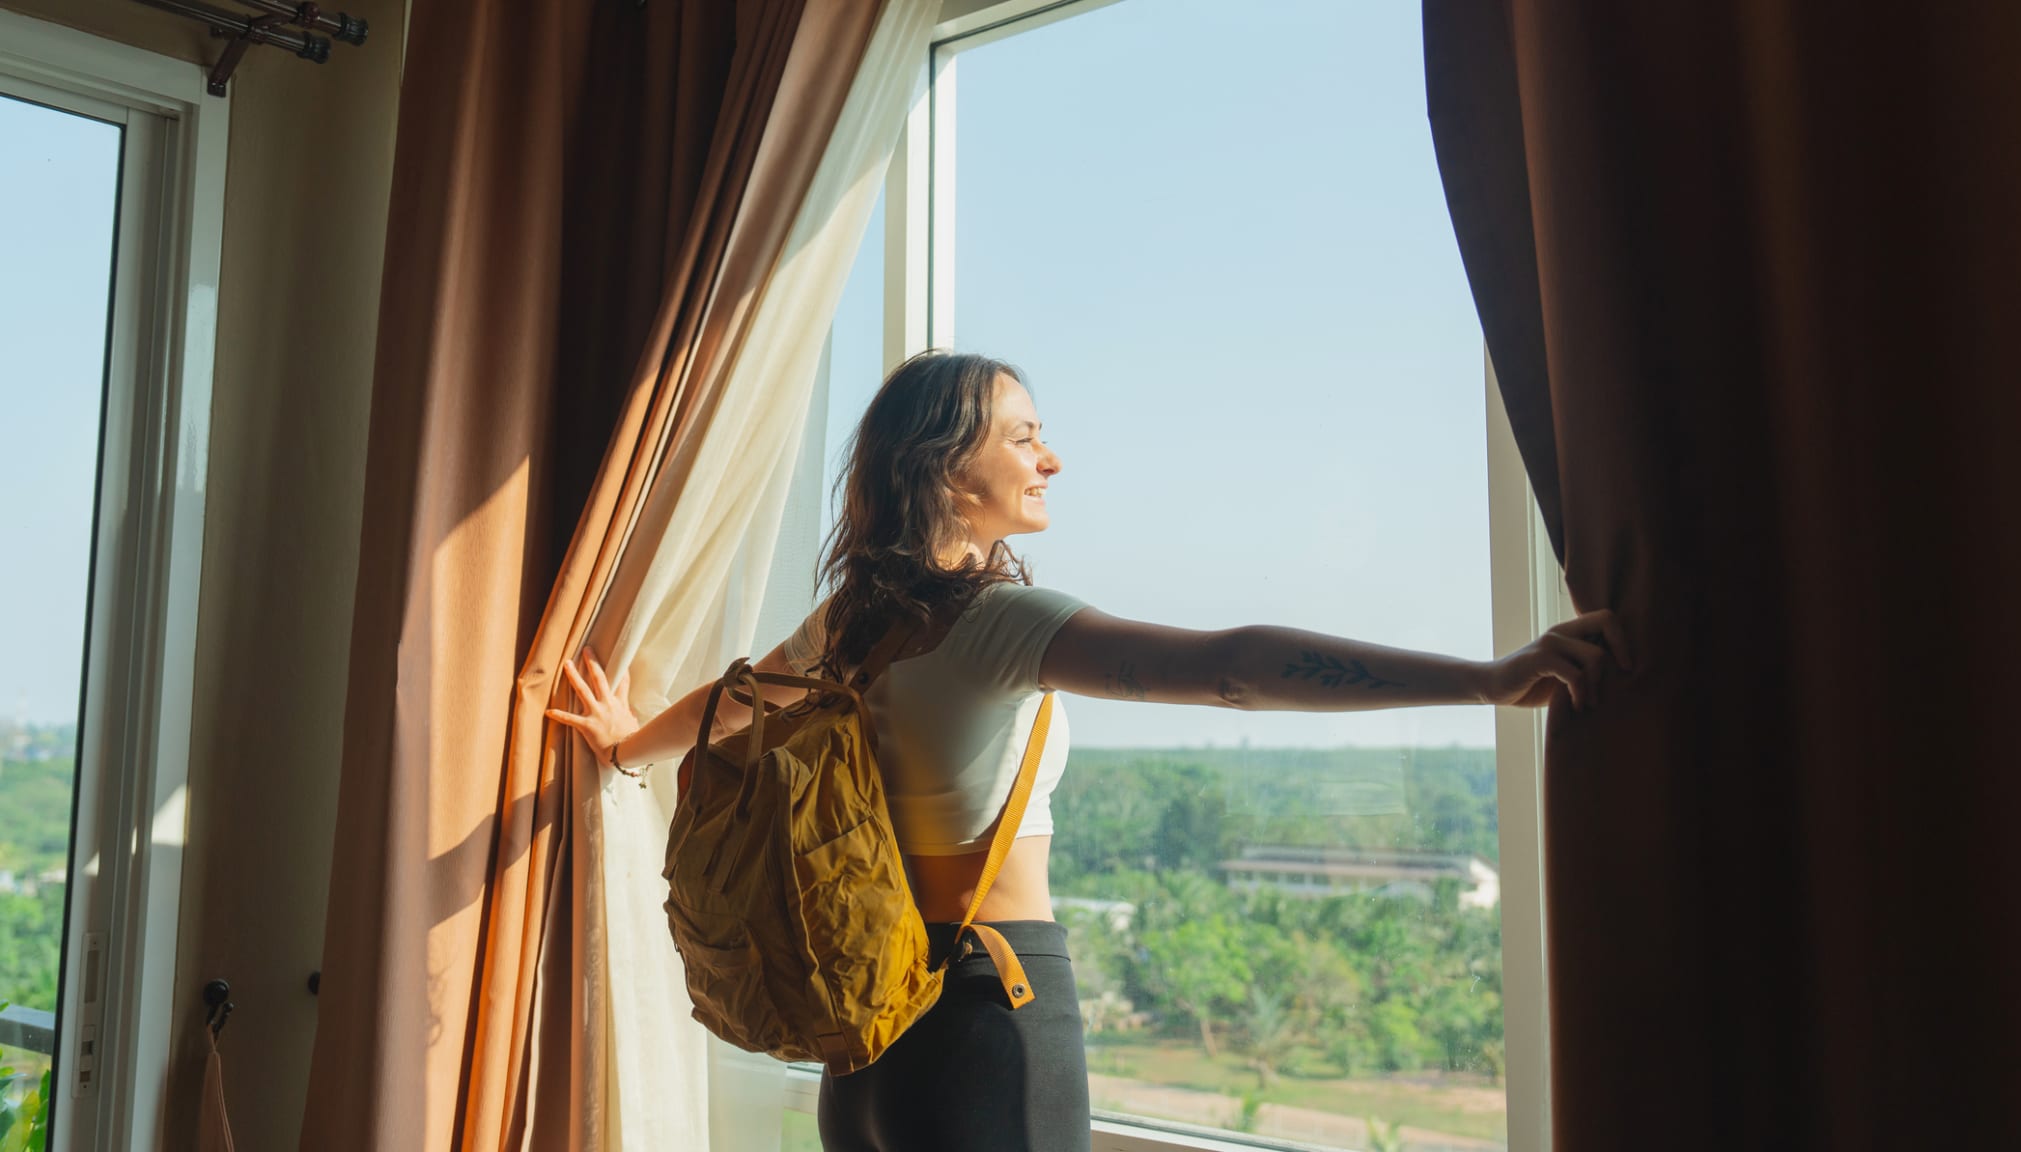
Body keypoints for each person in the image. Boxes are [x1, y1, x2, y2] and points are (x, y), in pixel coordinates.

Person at [547, 350, 1630, 1152]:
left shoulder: (851, 622)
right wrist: (1483, 679)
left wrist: (621, 745)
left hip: (868, 1031)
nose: (1049, 456)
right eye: (1023, 435)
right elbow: (1231, 669)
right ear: (945, 466)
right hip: (988, 1008)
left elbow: (730, 704)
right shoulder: (994, 622)